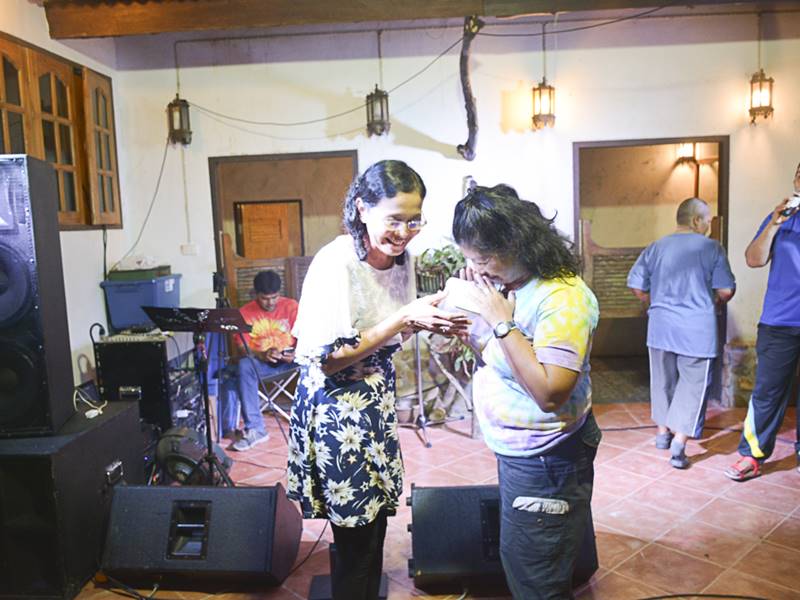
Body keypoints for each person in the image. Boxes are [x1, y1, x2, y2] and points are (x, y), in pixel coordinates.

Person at [286, 160, 467, 600]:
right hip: (336, 410)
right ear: (362, 209)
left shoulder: (402, 261)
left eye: (414, 220)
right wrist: (404, 317)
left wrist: (430, 320)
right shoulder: (336, 263)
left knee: (375, 523)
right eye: (394, 220)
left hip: (374, 404)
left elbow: (389, 335)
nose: (404, 232)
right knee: (354, 532)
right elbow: (328, 359)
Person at [452, 184, 600, 600]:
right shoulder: (517, 286)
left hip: (548, 457)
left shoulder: (564, 299)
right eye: (470, 259)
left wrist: (501, 322)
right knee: (523, 558)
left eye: (482, 260)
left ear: (517, 243)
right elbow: (507, 359)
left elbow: (550, 393)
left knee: (537, 575)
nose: (476, 270)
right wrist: (472, 331)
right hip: (524, 452)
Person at [627, 198, 736, 469]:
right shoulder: (712, 248)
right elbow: (725, 290)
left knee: (662, 380)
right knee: (693, 385)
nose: (708, 226)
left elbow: (637, 287)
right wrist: (712, 300)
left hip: (660, 327)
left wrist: (654, 301)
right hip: (697, 330)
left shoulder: (656, 247)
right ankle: (679, 442)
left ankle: (662, 433)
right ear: (696, 220)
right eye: (707, 220)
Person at [724, 163, 800, 481]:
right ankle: (752, 455)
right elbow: (753, 260)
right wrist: (773, 224)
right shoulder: (781, 219)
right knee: (767, 392)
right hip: (779, 322)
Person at [220, 269, 298, 451]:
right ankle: (256, 429)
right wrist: (262, 354)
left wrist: (296, 353)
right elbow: (243, 347)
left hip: (292, 361)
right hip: (263, 363)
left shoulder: (292, 307)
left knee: (320, 355)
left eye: (274, 297)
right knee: (244, 365)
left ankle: (316, 418)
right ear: (256, 295)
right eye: (265, 298)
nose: (270, 303)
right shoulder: (244, 313)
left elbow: (308, 336)